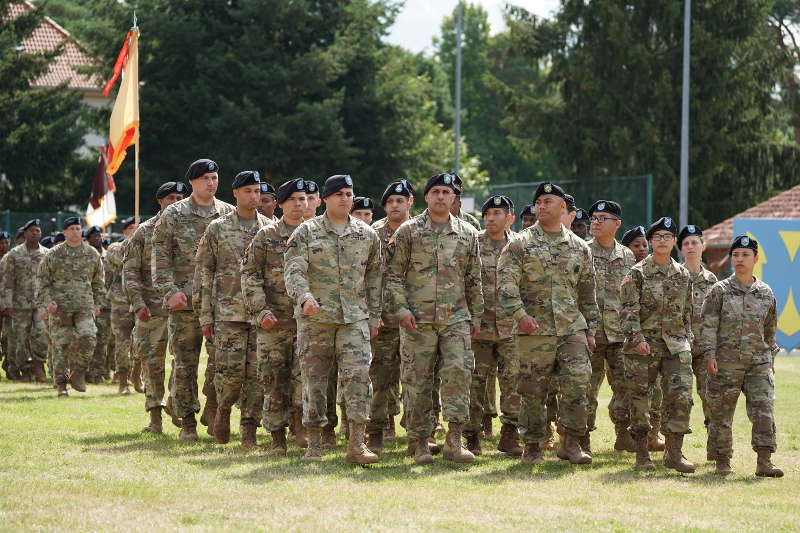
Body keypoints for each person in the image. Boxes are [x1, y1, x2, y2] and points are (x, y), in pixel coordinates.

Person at [385, 172, 483, 465]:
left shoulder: (467, 233)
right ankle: (419, 442)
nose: (441, 197)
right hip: (418, 319)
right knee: (418, 380)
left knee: (458, 375)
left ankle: (454, 440)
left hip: (456, 319)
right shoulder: (408, 232)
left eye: (446, 192)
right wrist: (401, 309)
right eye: (436, 192)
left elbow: (473, 278)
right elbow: (392, 276)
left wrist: (475, 315)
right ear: (426, 197)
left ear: (455, 198)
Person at [284, 174, 382, 464]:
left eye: (349, 193)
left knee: (358, 378)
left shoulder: (367, 235)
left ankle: (356, 444)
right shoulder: (306, 232)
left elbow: (376, 277)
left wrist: (374, 316)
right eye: (338, 193)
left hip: (354, 319)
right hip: (316, 320)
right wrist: (304, 297)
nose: (344, 198)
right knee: (314, 381)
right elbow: (293, 269)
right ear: (325, 198)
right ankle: (314, 441)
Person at [498, 182, 598, 466]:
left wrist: (590, 329)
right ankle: (532, 445)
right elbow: (505, 285)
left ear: (563, 207)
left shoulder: (579, 247)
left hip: (571, 329)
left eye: (547, 201)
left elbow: (587, 293)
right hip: (534, 330)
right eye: (538, 202)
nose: (541, 206)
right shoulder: (520, 243)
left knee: (578, 384)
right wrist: (520, 316)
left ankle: (571, 442)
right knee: (532, 390)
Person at [151, 158, 234, 440]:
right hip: (184, 302)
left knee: (221, 363)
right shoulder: (174, 214)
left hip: (220, 303)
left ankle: (212, 407)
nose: (211, 183)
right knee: (185, 364)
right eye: (205, 179)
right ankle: (187, 421)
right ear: (193, 183)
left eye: (214, 178)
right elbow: (160, 258)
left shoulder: (228, 213)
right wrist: (169, 291)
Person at [196, 171, 270, 450]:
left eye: (257, 191)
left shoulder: (268, 228)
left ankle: (249, 427)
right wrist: (205, 315)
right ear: (236, 193)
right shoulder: (218, 228)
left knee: (257, 374)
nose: (254, 196)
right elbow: (204, 273)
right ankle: (223, 410)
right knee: (229, 372)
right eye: (248, 191)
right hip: (227, 313)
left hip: (260, 314)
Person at [700, 235, 783, 477]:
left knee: (764, 411)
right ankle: (722, 461)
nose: (739, 259)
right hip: (725, 363)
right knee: (721, 414)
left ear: (755, 259)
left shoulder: (766, 293)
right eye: (735, 255)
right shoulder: (720, 290)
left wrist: (771, 360)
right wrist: (709, 355)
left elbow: (770, 328)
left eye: (745, 255)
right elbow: (707, 326)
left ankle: (764, 462)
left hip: (758, 363)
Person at [620, 217, 695, 473]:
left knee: (681, 398)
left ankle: (674, 454)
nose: (662, 241)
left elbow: (687, 313)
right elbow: (628, 312)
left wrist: (689, 343)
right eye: (657, 237)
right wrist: (638, 339)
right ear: (650, 242)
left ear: (675, 242)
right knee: (640, 400)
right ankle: (642, 453)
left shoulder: (683, 274)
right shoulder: (637, 273)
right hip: (644, 347)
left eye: (667, 237)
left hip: (676, 346)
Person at [242, 178, 308, 455]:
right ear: (280, 204)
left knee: (304, 379)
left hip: (307, 322)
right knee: (274, 381)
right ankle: (276, 437)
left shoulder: (314, 234)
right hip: (274, 321)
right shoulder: (266, 236)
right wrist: (261, 310)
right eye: (292, 199)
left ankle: (302, 430)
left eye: (303, 199)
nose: (298, 204)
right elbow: (249, 274)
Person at [124, 181, 186, 433]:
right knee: (153, 363)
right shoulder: (144, 232)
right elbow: (130, 272)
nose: (175, 202)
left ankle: (176, 402)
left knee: (182, 362)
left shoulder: (187, 228)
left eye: (179, 197)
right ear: (160, 201)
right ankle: (155, 418)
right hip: (152, 309)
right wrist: (138, 303)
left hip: (183, 309)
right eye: (170, 197)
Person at [466, 195, 522, 457]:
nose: (490, 218)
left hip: (512, 329)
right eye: (487, 214)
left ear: (509, 218)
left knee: (513, 382)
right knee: (475, 383)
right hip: (480, 327)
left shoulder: (521, 246)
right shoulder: (473, 243)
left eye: (496, 214)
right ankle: (472, 436)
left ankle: (509, 435)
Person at [364, 179, 414, 454]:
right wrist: (373, 313)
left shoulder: (420, 231)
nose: (395, 205)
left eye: (400, 200)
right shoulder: (372, 233)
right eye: (390, 202)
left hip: (415, 318)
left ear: (410, 202)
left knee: (418, 379)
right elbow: (366, 276)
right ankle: (376, 432)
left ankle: (420, 433)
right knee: (381, 379)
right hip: (382, 320)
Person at [585, 201, 636, 453]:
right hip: (590, 332)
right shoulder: (582, 251)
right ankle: (581, 436)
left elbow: (630, 295)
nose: (595, 221)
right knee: (585, 387)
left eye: (602, 218)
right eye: (594, 217)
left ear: (616, 224)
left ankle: (622, 433)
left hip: (618, 333)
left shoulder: (627, 255)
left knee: (624, 386)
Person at [37, 217, 104, 396]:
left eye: (78, 228)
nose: (75, 232)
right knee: (61, 347)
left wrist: (98, 304)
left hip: (84, 307)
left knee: (89, 337)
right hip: (60, 309)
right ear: (65, 232)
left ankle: (78, 372)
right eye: (71, 229)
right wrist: (48, 302)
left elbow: (98, 283)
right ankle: (61, 385)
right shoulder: (53, 254)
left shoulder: (92, 254)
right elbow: (42, 282)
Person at [677, 225, 717, 452]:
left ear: (703, 246)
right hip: (679, 347)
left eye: (695, 242)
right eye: (686, 243)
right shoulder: (674, 276)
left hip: (704, 349)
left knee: (711, 396)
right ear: (681, 248)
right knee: (679, 398)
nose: (691, 247)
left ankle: (715, 447)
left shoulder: (713, 281)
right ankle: (673, 448)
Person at [3, 219, 48, 382]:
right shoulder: (14, 254)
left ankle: (39, 365)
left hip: (40, 304)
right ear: (25, 234)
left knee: (42, 335)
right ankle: (22, 369)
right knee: (20, 339)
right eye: (32, 231)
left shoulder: (47, 253)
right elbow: (8, 280)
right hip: (19, 304)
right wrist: (7, 304)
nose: (35, 233)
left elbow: (50, 280)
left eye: (38, 231)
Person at [106, 217, 138, 395]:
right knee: (122, 343)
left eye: (138, 228)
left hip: (141, 300)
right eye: (132, 228)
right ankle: (123, 380)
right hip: (121, 303)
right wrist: (132, 241)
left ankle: (138, 376)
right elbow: (119, 259)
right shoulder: (114, 248)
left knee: (141, 343)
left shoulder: (145, 245)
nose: (135, 230)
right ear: (125, 231)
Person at [85, 225, 111, 383]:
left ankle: (98, 373)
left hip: (106, 306)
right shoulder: (85, 256)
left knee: (102, 341)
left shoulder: (110, 256)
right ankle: (84, 371)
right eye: (94, 236)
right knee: (86, 339)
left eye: (99, 235)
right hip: (87, 304)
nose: (97, 238)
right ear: (88, 239)